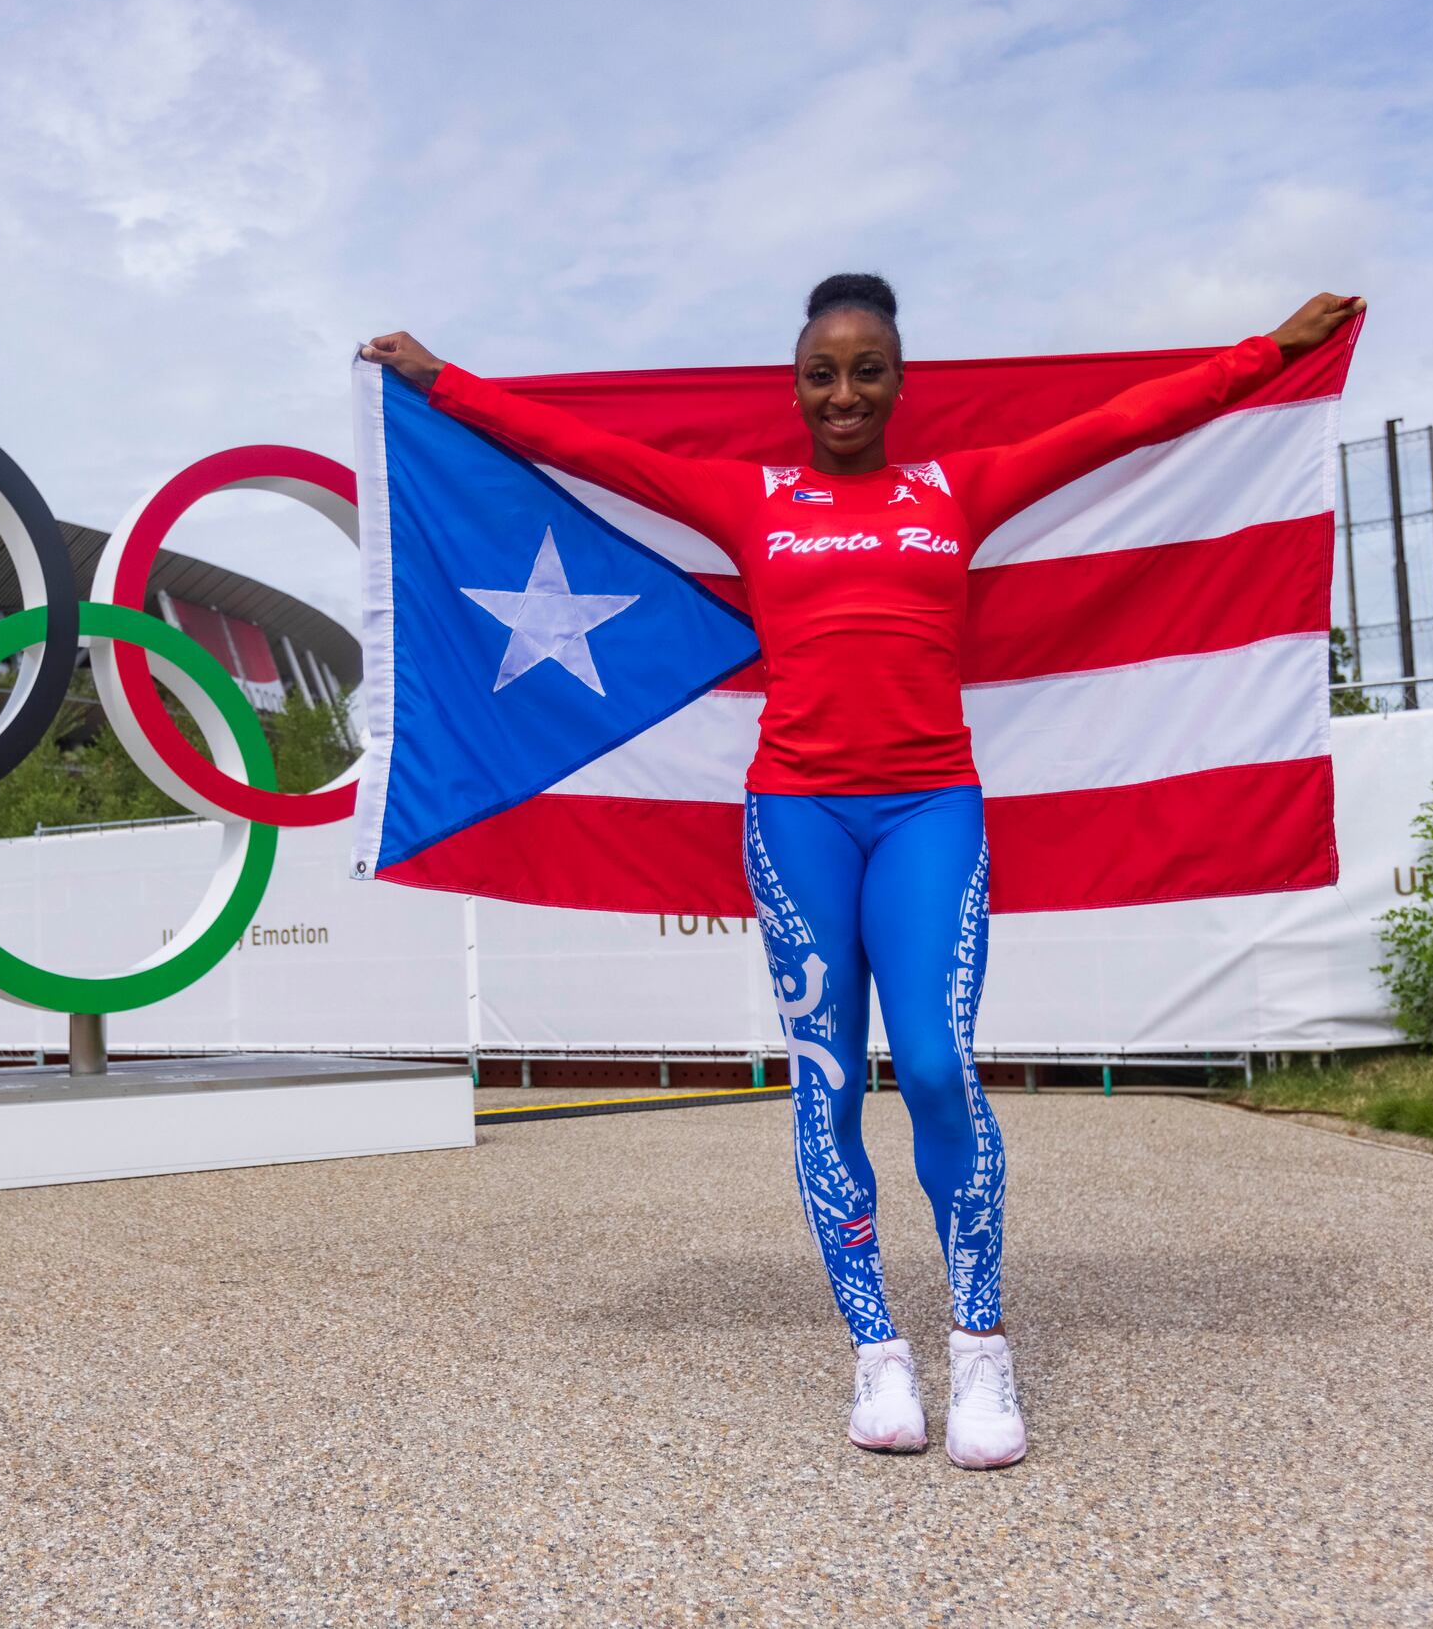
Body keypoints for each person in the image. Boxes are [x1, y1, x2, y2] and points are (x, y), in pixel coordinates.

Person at [361, 278, 1362, 1468]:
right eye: (822, 372)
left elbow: (1126, 423)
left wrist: (1267, 352)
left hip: (930, 807)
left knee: (936, 1064)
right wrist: (439, 381)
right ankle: (877, 1353)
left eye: (867, 368)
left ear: (899, 380)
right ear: (793, 389)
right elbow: (583, 447)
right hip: (796, 815)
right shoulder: (752, 498)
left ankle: (980, 1347)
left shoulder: (955, 490)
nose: (844, 391)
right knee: (826, 1076)